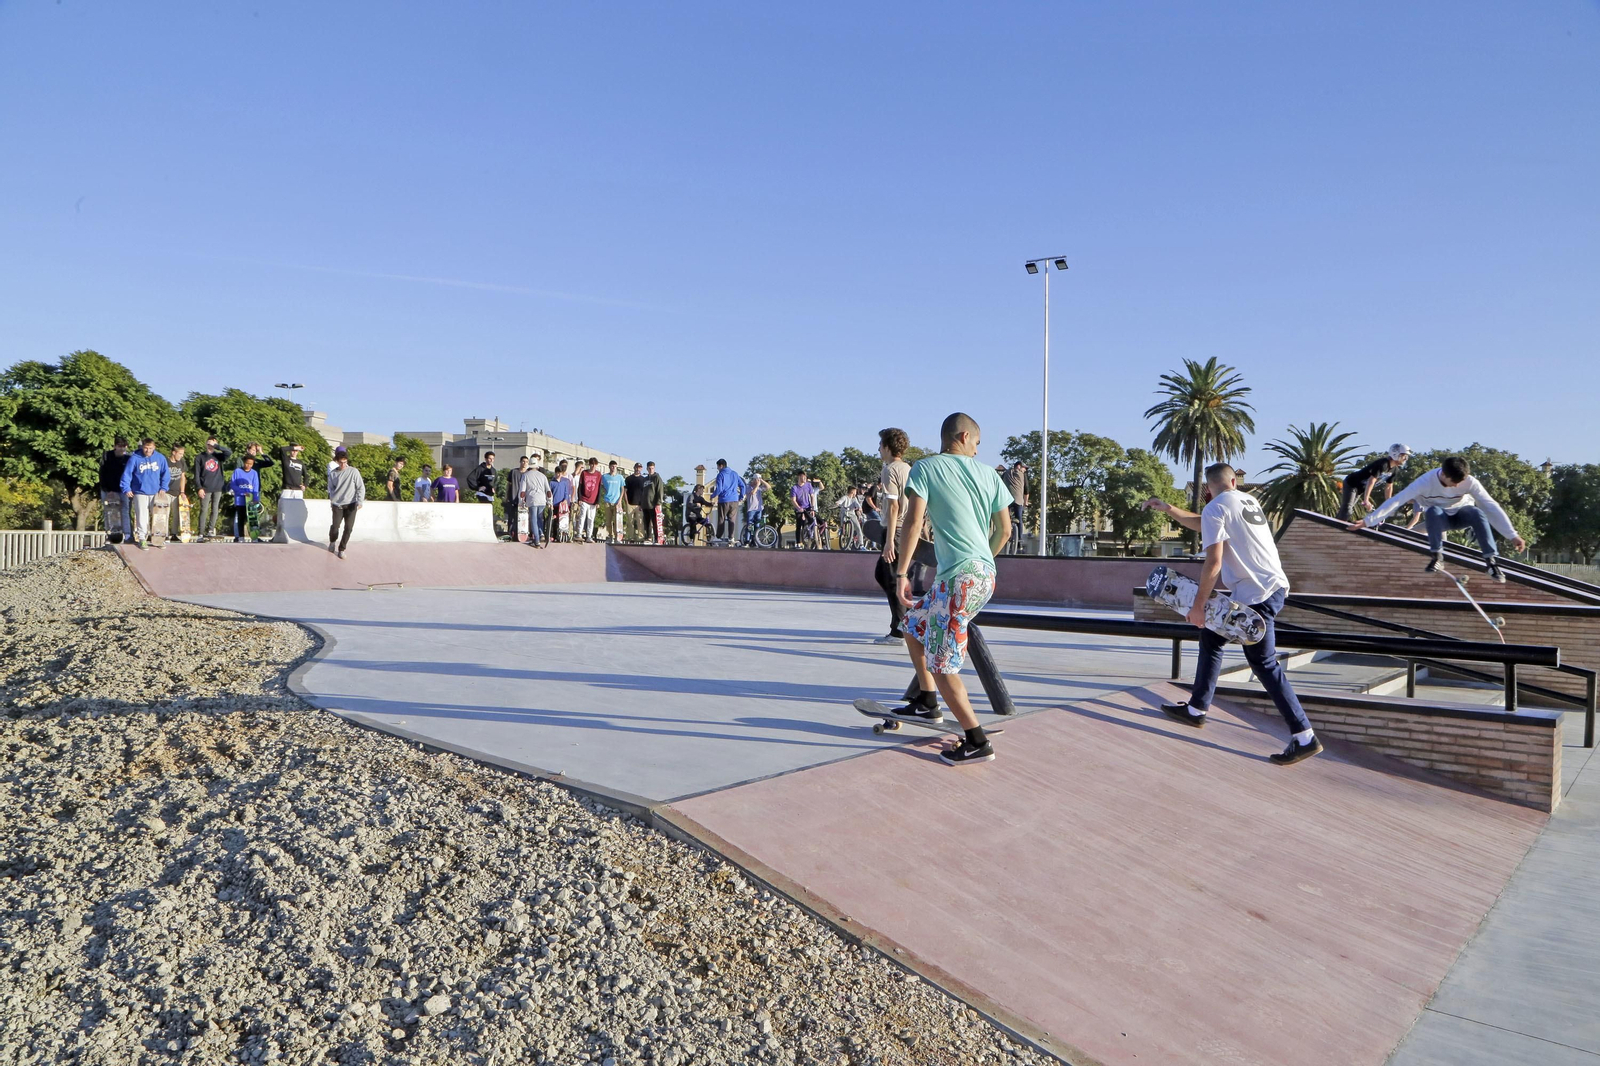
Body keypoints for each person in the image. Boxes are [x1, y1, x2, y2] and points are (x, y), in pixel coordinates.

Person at [1145, 464, 1321, 765]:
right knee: (1212, 639)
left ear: (1207, 488)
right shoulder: (1246, 501)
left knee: (1263, 663)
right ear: (1234, 481)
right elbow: (1203, 523)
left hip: (1257, 595)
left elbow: (1213, 563)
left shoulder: (1216, 508)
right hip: (1268, 587)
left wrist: (1197, 606)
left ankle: (1304, 736)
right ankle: (1196, 709)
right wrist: (1168, 508)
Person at [882, 412, 1012, 766]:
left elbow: (912, 521)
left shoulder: (926, 468)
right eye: (977, 444)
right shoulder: (989, 475)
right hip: (980, 574)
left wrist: (902, 573)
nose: (977, 451)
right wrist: (982, 558)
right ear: (965, 436)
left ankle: (976, 741)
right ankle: (927, 702)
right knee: (913, 626)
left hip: (960, 579)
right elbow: (1005, 531)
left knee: (943, 665)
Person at [1351, 455, 1526, 582]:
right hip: (1440, 520)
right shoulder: (1424, 482)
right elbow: (1397, 500)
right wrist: (1369, 521)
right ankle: (1437, 558)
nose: (1457, 486)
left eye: (1460, 483)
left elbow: (1490, 505)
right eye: (1454, 482)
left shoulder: (1470, 482)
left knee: (1477, 512)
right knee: (1433, 511)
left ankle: (1491, 563)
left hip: (1462, 515)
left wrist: (1512, 535)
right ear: (1443, 474)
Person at [120, 438, 172, 550]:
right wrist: (126, 488)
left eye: (150, 448)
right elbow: (127, 474)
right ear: (142, 447)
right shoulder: (135, 458)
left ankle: (159, 538)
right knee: (142, 516)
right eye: (146, 448)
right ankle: (142, 538)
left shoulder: (160, 458)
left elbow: (165, 474)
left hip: (156, 492)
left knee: (159, 516)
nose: (148, 450)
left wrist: (164, 487)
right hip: (140, 492)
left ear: (154, 447)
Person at [1337, 444, 1410, 521]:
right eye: (1404, 455)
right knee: (1347, 509)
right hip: (1352, 483)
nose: (1405, 458)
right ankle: (1337, 527)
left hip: (1360, 488)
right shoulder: (1383, 464)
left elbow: (1388, 487)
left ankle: (1335, 523)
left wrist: (1389, 503)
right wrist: (1366, 500)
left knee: (1346, 509)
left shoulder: (1395, 470)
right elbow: (1371, 481)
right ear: (1396, 454)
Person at [326, 446, 366, 558]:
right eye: (341, 462)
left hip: (351, 504)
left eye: (345, 462)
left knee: (348, 528)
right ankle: (332, 541)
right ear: (337, 461)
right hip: (337, 504)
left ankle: (342, 549)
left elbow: (360, 487)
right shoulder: (333, 474)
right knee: (335, 526)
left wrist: (360, 501)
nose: (343, 464)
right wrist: (333, 500)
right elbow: (331, 488)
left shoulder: (354, 471)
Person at [191, 436, 233, 541]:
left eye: (213, 443)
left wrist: (217, 446)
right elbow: (196, 474)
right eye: (209, 443)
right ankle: (200, 533)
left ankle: (210, 530)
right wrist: (199, 487)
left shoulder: (218, 456)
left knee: (215, 509)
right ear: (206, 444)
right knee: (204, 509)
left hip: (218, 487)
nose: (211, 445)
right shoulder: (200, 457)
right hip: (205, 487)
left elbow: (229, 452)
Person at [96, 437, 133, 543]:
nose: (122, 449)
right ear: (115, 446)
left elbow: (130, 475)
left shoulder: (128, 458)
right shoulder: (107, 456)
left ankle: (127, 535)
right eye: (120, 446)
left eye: (124, 446)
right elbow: (102, 474)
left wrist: (127, 488)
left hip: (123, 489)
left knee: (125, 511)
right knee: (109, 511)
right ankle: (110, 534)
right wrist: (108, 490)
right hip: (108, 489)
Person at [228, 455, 261, 543]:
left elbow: (256, 486)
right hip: (240, 500)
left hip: (251, 500)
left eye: (251, 464)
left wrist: (255, 498)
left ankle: (254, 537)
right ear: (244, 462)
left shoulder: (254, 473)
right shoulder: (237, 471)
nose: (248, 465)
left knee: (252, 519)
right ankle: (241, 536)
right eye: (247, 463)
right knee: (241, 518)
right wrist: (242, 492)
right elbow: (233, 484)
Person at [522, 459, 550, 548]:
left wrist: (521, 501)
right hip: (542, 500)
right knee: (539, 519)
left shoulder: (525, 475)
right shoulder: (543, 476)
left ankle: (537, 541)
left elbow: (522, 491)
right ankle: (541, 534)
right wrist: (550, 502)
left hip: (532, 500)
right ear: (537, 466)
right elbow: (548, 491)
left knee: (533, 519)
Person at [574, 458, 604, 542]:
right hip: (584, 499)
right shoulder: (584, 473)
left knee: (591, 518)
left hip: (593, 500)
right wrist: (579, 498)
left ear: (596, 465)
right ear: (589, 464)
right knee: (582, 516)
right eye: (591, 464)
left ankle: (589, 536)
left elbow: (599, 488)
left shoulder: (598, 475)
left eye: (595, 464)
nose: (593, 466)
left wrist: (598, 501)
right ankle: (579, 534)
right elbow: (580, 486)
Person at [1002, 461, 1029, 554]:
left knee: (1006, 519)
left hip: (1007, 501)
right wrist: (1026, 502)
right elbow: (1026, 490)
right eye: (1024, 468)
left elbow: (1000, 484)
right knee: (1019, 519)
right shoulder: (1022, 475)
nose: (1025, 471)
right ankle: (1020, 541)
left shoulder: (1005, 473)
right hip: (1018, 501)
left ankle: (1006, 537)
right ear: (1018, 466)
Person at [791, 471, 820, 549]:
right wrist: (798, 508)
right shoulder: (795, 488)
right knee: (799, 524)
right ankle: (798, 543)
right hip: (799, 508)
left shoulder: (808, 485)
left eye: (805, 477)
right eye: (803, 477)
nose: (805, 478)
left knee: (812, 520)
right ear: (799, 477)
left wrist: (812, 507)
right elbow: (793, 500)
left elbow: (812, 496)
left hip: (808, 507)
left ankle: (814, 538)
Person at [506, 456, 531, 541]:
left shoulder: (529, 473)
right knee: (512, 517)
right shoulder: (513, 472)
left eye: (526, 462)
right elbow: (508, 485)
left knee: (524, 517)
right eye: (523, 461)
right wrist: (507, 496)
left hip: (525, 499)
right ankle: (511, 533)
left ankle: (524, 534)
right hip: (513, 497)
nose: (524, 463)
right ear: (520, 462)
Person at [742, 473, 770, 546]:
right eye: (756, 480)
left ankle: (754, 540)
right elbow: (752, 493)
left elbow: (768, 487)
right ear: (753, 480)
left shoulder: (759, 488)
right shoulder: (748, 486)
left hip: (759, 509)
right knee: (750, 525)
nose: (757, 481)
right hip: (751, 509)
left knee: (757, 526)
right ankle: (747, 540)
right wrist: (757, 485)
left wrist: (762, 480)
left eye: (758, 480)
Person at [550, 460, 574, 542]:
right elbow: (550, 493)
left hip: (562, 506)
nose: (558, 474)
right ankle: (554, 535)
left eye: (559, 473)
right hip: (555, 505)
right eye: (557, 473)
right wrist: (550, 503)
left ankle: (564, 535)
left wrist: (565, 500)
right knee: (554, 520)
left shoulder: (565, 482)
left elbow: (566, 492)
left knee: (563, 520)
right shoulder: (552, 482)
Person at [624, 462, 648, 542]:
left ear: (641, 468)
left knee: (640, 522)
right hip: (630, 503)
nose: (638, 469)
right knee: (630, 522)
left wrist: (642, 504)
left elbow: (645, 493)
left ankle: (640, 537)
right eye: (637, 467)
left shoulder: (643, 479)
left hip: (639, 505)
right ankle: (630, 537)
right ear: (634, 468)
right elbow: (625, 491)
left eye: (640, 467)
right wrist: (626, 502)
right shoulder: (628, 479)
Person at [644, 462, 667, 545]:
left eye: (652, 468)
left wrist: (658, 503)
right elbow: (642, 491)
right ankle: (648, 538)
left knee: (656, 522)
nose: (651, 470)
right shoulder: (645, 479)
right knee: (647, 522)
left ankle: (658, 539)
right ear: (647, 469)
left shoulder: (657, 478)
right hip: (645, 504)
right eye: (649, 468)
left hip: (654, 504)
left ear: (654, 468)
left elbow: (660, 490)